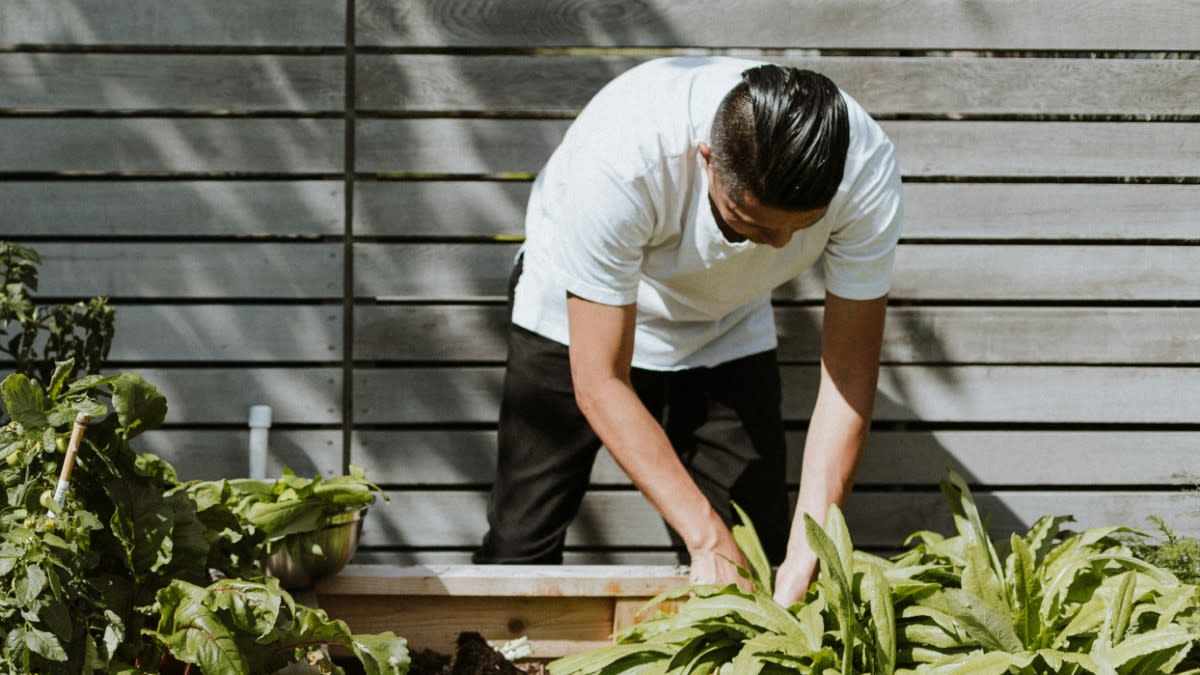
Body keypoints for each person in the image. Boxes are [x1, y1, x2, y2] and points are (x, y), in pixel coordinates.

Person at [473, 56, 902, 608]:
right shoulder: (621, 158)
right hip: (572, 318)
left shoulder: (865, 169)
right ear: (707, 160)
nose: (776, 247)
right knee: (520, 546)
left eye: (801, 229)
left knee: (755, 556)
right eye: (748, 222)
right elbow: (600, 381)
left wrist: (808, 549)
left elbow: (847, 374)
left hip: (725, 323)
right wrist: (704, 537)